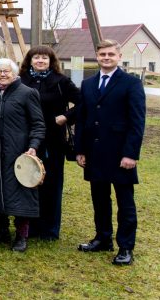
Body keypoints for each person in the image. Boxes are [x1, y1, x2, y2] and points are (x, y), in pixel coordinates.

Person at [74, 40, 145, 266]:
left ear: (119, 56)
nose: (106, 57)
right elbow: (83, 119)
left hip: (120, 154)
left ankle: (126, 247)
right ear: (97, 56)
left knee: (125, 203)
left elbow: (137, 122)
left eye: (110, 54)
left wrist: (131, 154)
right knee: (99, 199)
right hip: (95, 153)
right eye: (102, 54)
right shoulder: (88, 84)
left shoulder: (131, 84)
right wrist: (80, 150)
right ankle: (103, 238)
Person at [0, 58, 45, 252]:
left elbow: (38, 124)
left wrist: (33, 146)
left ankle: (21, 235)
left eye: (6, 71)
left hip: (18, 153)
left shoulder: (27, 93)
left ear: (15, 74)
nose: (2, 74)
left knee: (20, 194)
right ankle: (2, 230)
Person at [18, 45, 80, 240]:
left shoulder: (61, 82)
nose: (40, 61)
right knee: (29, 181)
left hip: (53, 140)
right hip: (27, 139)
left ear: (51, 61)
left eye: (44, 58)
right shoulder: (21, 81)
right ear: (30, 60)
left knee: (51, 184)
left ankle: (50, 229)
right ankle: (31, 226)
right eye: (36, 58)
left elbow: (83, 103)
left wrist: (66, 117)